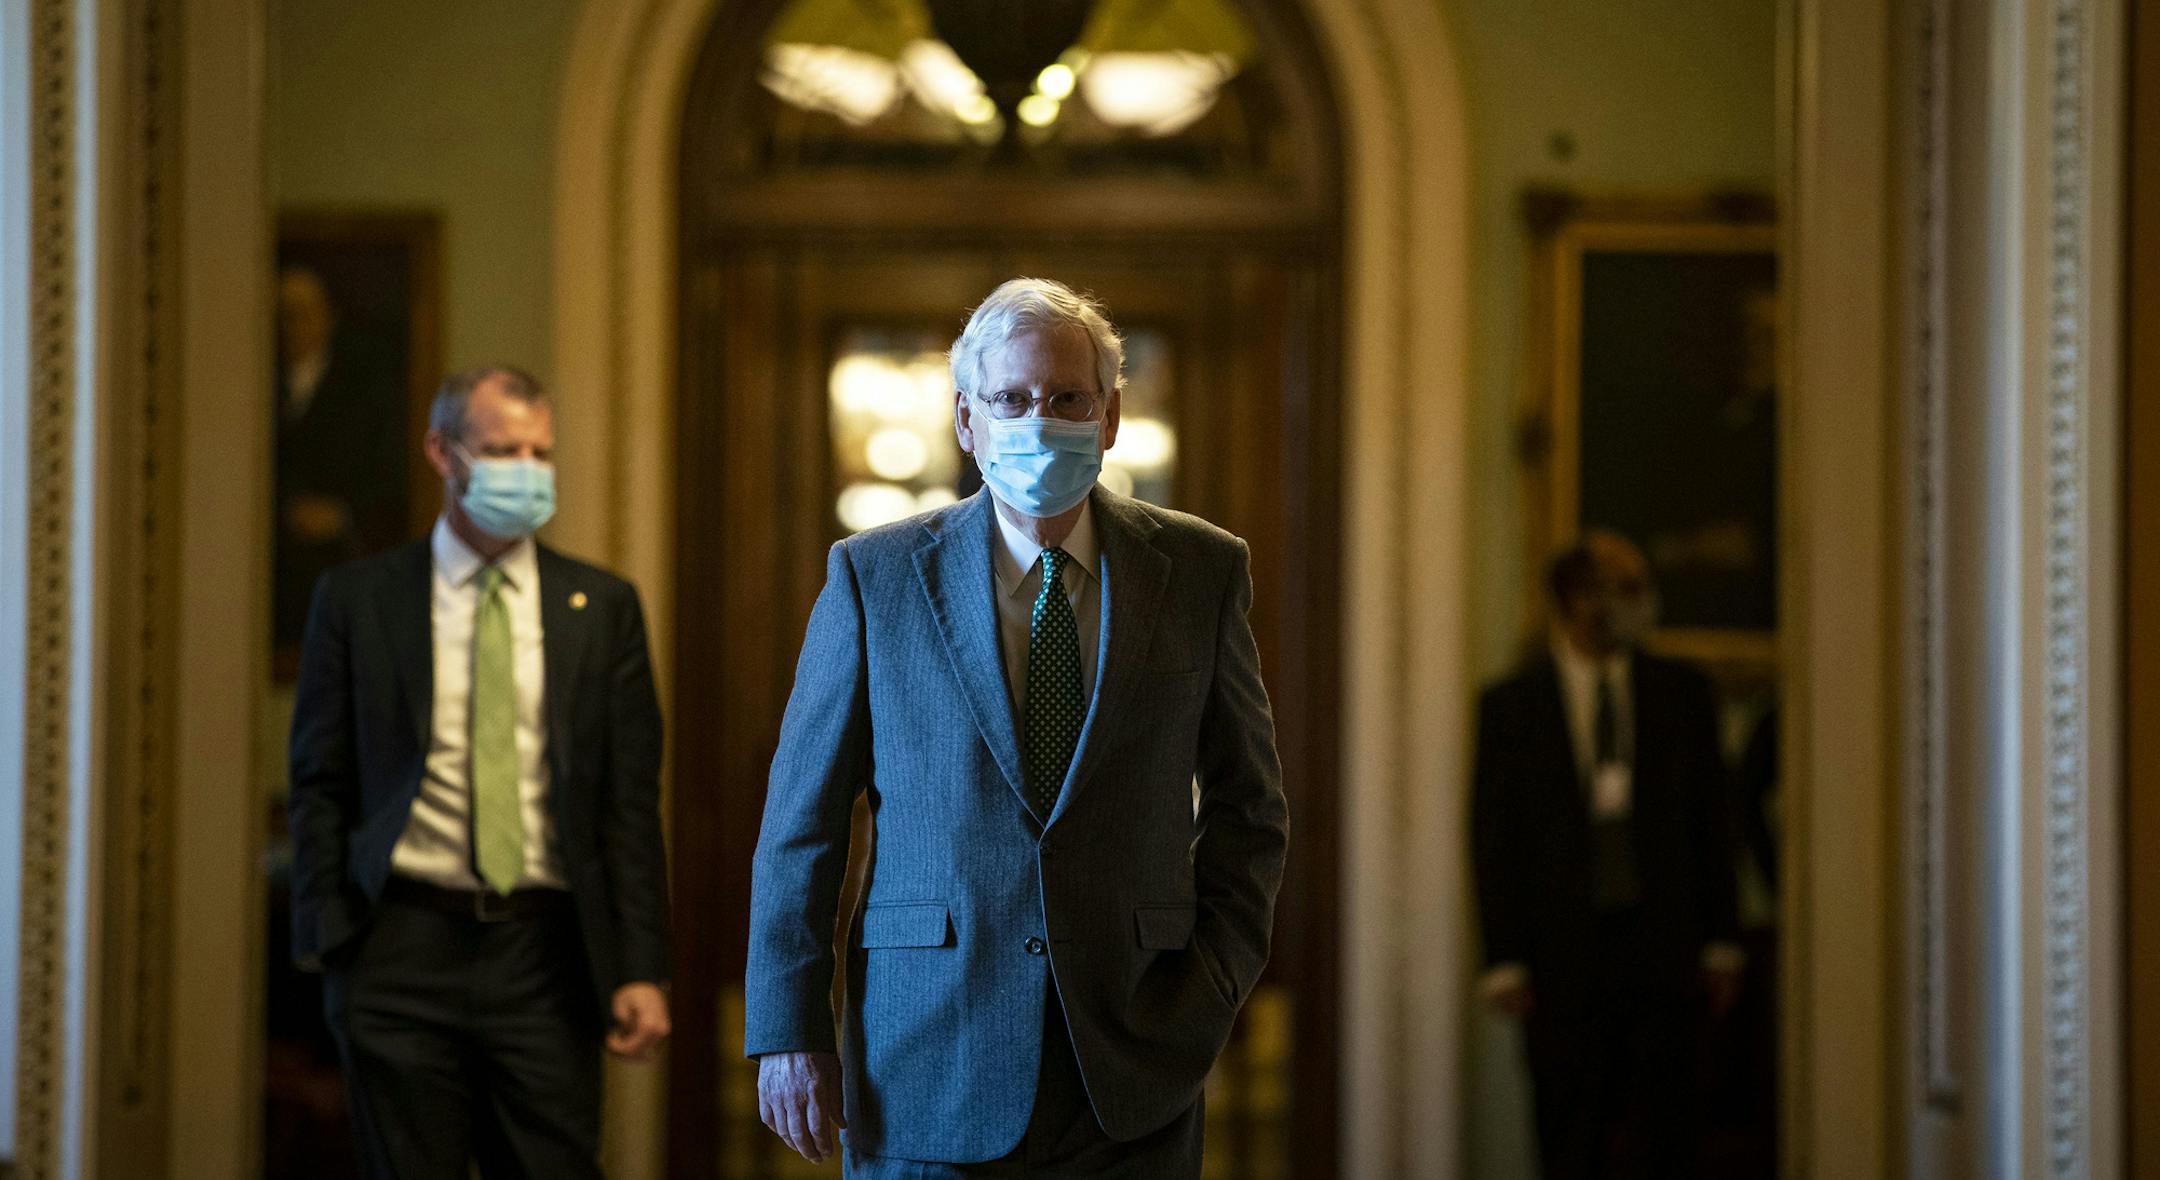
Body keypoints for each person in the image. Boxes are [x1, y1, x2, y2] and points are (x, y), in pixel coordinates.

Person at [746, 278, 1289, 1178]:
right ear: (967, 420)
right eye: (1011, 400)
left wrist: (1209, 993)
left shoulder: (1199, 571)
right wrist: (787, 1028)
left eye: (1067, 399)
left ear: (1110, 416)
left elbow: (1250, 811)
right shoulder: (873, 578)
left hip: (1132, 1065)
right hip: (924, 1058)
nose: (1040, 421)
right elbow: (800, 826)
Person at [288, 365, 672, 1179]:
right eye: (501, 450)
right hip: (399, 948)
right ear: (442, 451)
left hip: (544, 953)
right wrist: (331, 939)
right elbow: (319, 779)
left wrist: (640, 966)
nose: (525, 472)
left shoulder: (601, 608)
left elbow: (628, 807)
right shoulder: (360, 600)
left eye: (540, 452)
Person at [1470, 532, 1743, 1179]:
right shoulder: (1512, 706)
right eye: (1626, 587)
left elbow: (1713, 822)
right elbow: (1493, 833)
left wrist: (1723, 940)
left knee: (1670, 1135)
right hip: (1560, 958)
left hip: (1665, 952)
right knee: (1569, 1133)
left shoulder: (1683, 695)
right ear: (1579, 599)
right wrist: (1503, 957)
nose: (1645, 602)